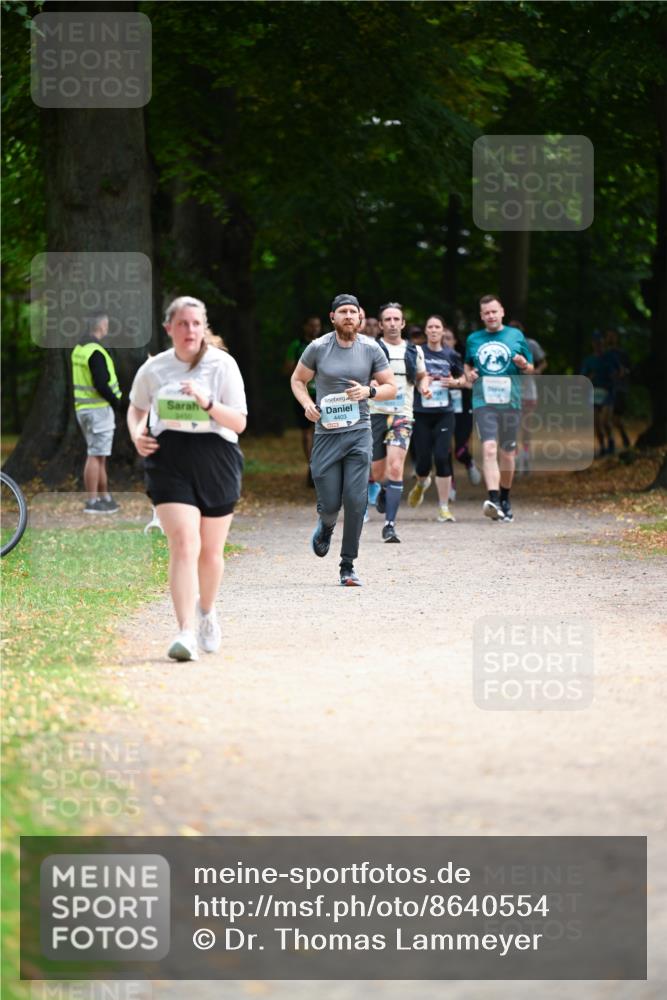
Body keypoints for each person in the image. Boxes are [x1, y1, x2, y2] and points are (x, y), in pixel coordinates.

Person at [128, 296, 247, 661]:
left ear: (204, 326)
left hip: (217, 457)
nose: (190, 330)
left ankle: (206, 611)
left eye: (196, 324)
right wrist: (137, 435)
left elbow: (239, 423)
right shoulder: (155, 368)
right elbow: (136, 408)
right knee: (183, 543)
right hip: (169, 459)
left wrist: (206, 402)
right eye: (182, 324)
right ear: (169, 328)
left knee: (210, 553)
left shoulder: (222, 365)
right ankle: (185, 634)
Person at [290, 293, 396, 586]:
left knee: (355, 499)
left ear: (360, 317)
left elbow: (391, 387)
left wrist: (369, 392)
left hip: (359, 431)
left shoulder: (371, 348)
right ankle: (325, 527)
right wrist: (307, 405)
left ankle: (347, 565)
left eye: (353, 312)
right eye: (343, 312)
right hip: (326, 434)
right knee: (330, 504)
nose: (349, 316)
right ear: (332, 317)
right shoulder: (318, 347)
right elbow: (298, 380)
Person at [465, 295, 533, 522]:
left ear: (502, 312)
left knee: (507, 452)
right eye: (486, 313)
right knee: (489, 448)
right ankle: (493, 499)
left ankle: (505, 497)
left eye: (494, 311)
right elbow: (468, 364)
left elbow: (530, 366)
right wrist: (469, 373)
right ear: (481, 316)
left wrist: (524, 364)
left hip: (510, 401)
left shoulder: (515, 336)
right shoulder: (474, 339)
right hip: (484, 401)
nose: (491, 316)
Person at [368, 302, 431, 543]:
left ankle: (390, 525)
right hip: (375, 413)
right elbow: (359, 375)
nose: (393, 324)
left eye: (397, 319)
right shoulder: (372, 349)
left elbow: (422, 375)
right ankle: (384, 489)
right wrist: (370, 384)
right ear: (381, 324)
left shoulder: (415, 351)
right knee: (378, 471)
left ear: (403, 323)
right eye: (388, 320)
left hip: (403, 414)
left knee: (396, 468)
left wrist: (424, 387)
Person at [408, 315, 466, 522]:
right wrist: (421, 381)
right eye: (430, 326)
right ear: (426, 331)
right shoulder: (417, 352)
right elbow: (406, 378)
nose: (433, 330)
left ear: (443, 331)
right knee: (423, 461)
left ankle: (443, 507)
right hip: (421, 414)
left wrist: (454, 382)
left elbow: (463, 379)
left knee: (442, 457)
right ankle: (422, 483)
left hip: (444, 413)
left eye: (437, 327)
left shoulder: (451, 355)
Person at [71, 313, 122, 514]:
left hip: (84, 409)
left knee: (99, 454)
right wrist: (117, 403)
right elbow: (101, 384)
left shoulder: (79, 349)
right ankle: (93, 501)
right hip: (98, 410)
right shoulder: (96, 352)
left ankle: (104, 497)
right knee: (95, 454)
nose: (107, 327)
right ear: (101, 325)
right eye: (106, 324)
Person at [283, 316, 322, 484]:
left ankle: (322, 466)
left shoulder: (325, 345)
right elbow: (286, 369)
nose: (314, 329)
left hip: (323, 394)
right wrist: (303, 367)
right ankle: (312, 466)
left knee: (322, 431)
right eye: (311, 325)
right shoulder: (296, 345)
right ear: (305, 327)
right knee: (306, 432)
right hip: (303, 394)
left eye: (317, 326)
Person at [441, 325, 481, 489]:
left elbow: (473, 384)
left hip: (463, 407)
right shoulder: (432, 359)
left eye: (449, 338)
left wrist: (460, 382)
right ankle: (451, 485)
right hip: (442, 408)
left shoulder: (463, 360)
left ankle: (469, 462)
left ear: (455, 341)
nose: (445, 341)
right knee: (444, 449)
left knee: (459, 450)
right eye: (443, 338)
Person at [507, 320, 548, 474]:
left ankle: (525, 456)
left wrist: (537, 371)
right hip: (511, 392)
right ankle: (515, 458)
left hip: (529, 391)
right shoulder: (504, 347)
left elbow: (543, 363)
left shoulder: (531, 345)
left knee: (526, 426)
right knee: (513, 426)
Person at [581, 332, 615, 458]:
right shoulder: (589, 360)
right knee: (596, 423)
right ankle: (602, 447)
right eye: (596, 343)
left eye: (600, 343)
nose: (598, 345)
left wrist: (616, 376)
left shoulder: (609, 358)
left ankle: (611, 441)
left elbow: (617, 372)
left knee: (605, 421)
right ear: (592, 344)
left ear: (603, 344)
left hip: (608, 392)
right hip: (594, 392)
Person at [604, 329, 631, 450]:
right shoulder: (603, 354)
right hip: (606, 390)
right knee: (603, 419)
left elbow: (629, 370)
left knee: (615, 419)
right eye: (608, 336)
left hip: (619, 389)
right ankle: (610, 444)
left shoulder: (622, 354)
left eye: (612, 336)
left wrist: (622, 373)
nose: (610, 338)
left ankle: (623, 438)